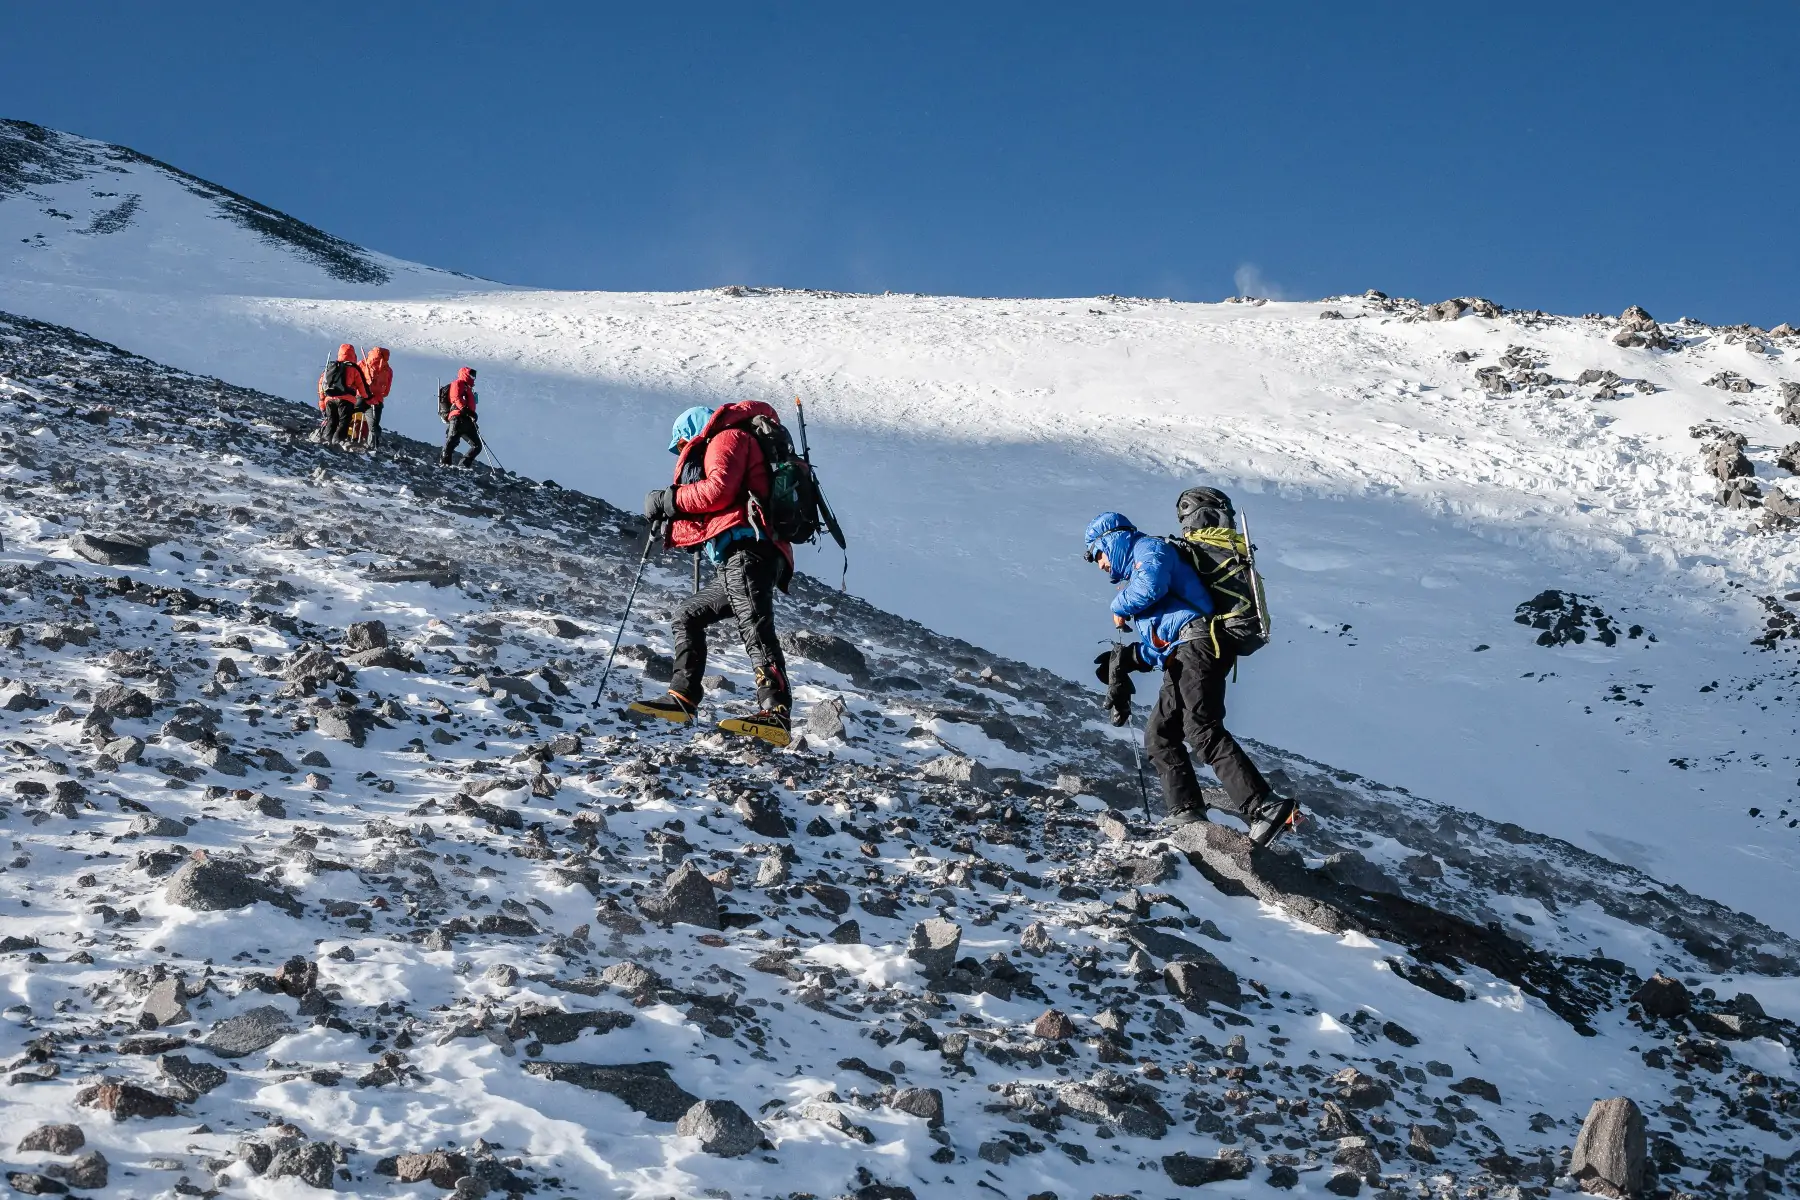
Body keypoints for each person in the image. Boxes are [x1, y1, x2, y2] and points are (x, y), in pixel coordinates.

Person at [1084, 511, 1294, 846]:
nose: (1099, 564)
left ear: (1111, 539)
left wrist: (1119, 606)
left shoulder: (1149, 550)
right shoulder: (1140, 570)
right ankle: (1187, 817)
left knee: (1202, 728)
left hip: (1197, 645)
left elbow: (1153, 586)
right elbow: (1161, 642)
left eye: (1097, 554)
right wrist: (1124, 661)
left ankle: (1265, 807)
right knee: (1159, 736)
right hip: (1185, 650)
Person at [629, 402, 795, 746]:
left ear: (691, 431)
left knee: (755, 625)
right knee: (687, 616)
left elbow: (718, 491)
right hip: (743, 552)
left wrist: (668, 499)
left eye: (680, 443)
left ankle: (775, 712)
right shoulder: (729, 440)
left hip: (749, 549)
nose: (681, 451)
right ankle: (682, 698)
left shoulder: (727, 437)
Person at [317, 344, 368, 445]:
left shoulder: (331, 367)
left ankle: (326, 441)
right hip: (346, 400)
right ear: (353, 355)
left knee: (332, 420)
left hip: (329, 399)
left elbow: (321, 383)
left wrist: (322, 400)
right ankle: (338, 442)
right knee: (344, 421)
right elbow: (361, 385)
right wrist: (365, 397)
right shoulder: (354, 369)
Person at [440, 366, 482, 467]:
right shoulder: (458, 383)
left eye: (474, 375)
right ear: (465, 374)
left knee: (477, 446)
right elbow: (456, 398)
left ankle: (463, 466)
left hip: (467, 418)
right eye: (471, 374)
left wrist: (471, 415)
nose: (473, 377)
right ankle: (445, 464)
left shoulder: (468, 388)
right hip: (458, 417)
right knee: (451, 441)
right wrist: (465, 410)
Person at [358, 346, 392, 450]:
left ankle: (341, 438)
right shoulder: (388, 369)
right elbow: (386, 391)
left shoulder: (363, 363)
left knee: (346, 415)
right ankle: (372, 447)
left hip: (360, 396)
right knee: (373, 425)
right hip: (376, 401)